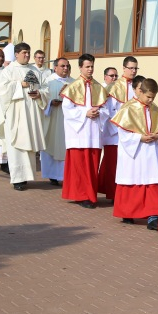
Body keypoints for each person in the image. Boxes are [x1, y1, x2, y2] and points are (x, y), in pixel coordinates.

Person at [110, 78, 158, 227]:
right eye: (148, 97)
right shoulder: (127, 108)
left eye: (153, 97)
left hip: (150, 152)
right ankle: (128, 213)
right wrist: (139, 138)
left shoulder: (154, 108)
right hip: (134, 152)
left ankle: (154, 216)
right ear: (140, 92)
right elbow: (122, 133)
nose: (151, 100)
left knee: (153, 181)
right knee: (132, 179)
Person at [0, 43, 48, 191]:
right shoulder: (8, 70)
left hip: (31, 114)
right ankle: (17, 179)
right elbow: (3, 90)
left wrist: (39, 94)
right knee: (17, 145)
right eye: (24, 52)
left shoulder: (34, 70)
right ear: (16, 54)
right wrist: (21, 85)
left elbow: (45, 88)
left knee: (29, 145)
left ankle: (26, 177)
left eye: (28, 52)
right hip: (16, 114)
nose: (27, 55)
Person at [60, 54, 109, 208]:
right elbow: (67, 109)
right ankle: (81, 195)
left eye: (92, 66)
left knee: (92, 165)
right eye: (87, 66)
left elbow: (106, 109)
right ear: (80, 67)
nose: (90, 69)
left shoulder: (98, 87)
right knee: (80, 166)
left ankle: (90, 194)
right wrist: (85, 113)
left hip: (93, 132)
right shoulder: (72, 87)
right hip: (79, 133)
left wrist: (99, 112)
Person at [98, 56, 139, 202]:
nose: (133, 71)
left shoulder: (138, 86)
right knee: (113, 163)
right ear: (124, 68)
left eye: (135, 68)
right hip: (115, 132)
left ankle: (127, 193)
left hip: (133, 131)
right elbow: (109, 110)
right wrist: (121, 126)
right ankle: (113, 194)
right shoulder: (114, 87)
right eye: (131, 68)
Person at [40, 57, 73, 186]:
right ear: (55, 68)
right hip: (52, 119)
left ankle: (66, 175)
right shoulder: (48, 82)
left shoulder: (74, 82)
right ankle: (52, 175)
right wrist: (50, 103)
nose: (65, 68)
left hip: (68, 121)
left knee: (65, 146)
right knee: (51, 144)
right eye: (62, 66)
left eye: (67, 66)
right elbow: (40, 100)